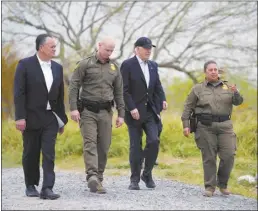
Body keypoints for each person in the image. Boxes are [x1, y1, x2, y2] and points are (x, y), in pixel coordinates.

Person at [14, 34, 68, 200]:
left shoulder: (58, 68)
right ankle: (30, 185)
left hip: (51, 117)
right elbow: (19, 93)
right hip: (30, 117)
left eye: (55, 46)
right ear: (41, 47)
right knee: (31, 152)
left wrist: (61, 120)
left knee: (49, 153)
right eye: (51, 46)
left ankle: (47, 188)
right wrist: (20, 117)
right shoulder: (25, 65)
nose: (54, 49)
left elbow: (59, 96)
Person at [69, 37, 125, 194]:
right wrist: (73, 108)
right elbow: (74, 86)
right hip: (87, 111)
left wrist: (121, 114)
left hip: (106, 112)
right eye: (107, 49)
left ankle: (99, 178)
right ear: (99, 45)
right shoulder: (85, 63)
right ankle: (92, 175)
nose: (109, 53)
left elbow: (119, 92)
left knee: (104, 146)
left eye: (112, 50)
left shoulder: (114, 67)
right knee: (90, 142)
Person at [181, 60, 243, 197]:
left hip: (225, 126)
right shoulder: (197, 89)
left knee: (229, 155)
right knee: (209, 157)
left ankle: (223, 184)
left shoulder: (228, 87)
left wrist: (236, 92)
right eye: (211, 70)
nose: (214, 72)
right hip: (205, 127)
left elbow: (238, 102)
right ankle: (210, 187)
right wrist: (186, 125)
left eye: (215, 69)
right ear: (205, 72)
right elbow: (188, 107)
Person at [121, 37, 164, 190]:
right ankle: (134, 180)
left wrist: (162, 100)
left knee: (153, 141)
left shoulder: (153, 65)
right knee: (135, 146)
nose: (148, 50)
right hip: (133, 112)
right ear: (137, 49)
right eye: (145, 48)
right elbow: (124, 90)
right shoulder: (127, 65)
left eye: (150, 48)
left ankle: (146, 173)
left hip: (150, 112)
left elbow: (157, 86)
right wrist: (131, 108)